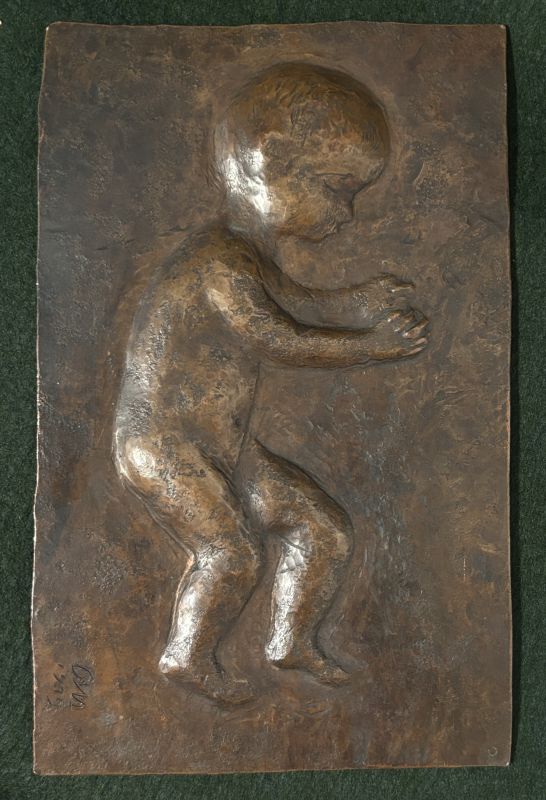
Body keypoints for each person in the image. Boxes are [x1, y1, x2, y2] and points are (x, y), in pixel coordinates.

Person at [114, 63, 429, 705]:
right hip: (165, 446)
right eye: (337, 188)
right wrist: (370, 348)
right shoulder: (219, 262)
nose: (345, 213)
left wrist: (360, 301)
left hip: (219, 443)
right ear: (272, 158)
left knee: (322, 528)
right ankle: (186, 657)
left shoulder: (250, 255)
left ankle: (292, 642)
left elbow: (299, 302)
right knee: (232, 553)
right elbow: (276, 338)